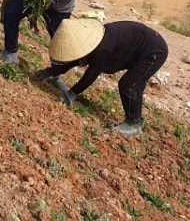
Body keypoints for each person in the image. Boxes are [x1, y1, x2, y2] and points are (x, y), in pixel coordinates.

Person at [31, 18, 169, 136]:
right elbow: (74, 61)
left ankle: (134, 124)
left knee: (130, 85)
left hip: (153, 52)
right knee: (131, 85)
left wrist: (71, 94)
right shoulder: (90, 43)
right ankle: (131, 121)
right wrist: (50, 72)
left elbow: (91, 75)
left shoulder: (101, 49)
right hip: (137, 49)